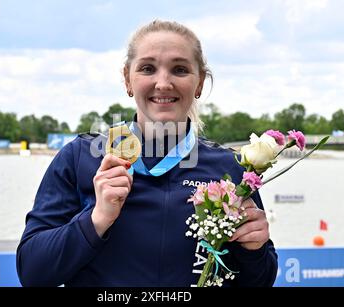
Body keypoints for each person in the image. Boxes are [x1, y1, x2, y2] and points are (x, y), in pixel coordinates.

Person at [16, 20, 278, 287]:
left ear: (199, 84)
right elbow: (32, 272)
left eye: (179, 69)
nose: (163, 83)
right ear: (128, 80)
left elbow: (261, 280)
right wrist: (97, 219)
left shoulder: (230, 168)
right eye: (147, 68)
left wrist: (254, 250)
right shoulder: (80, 157)